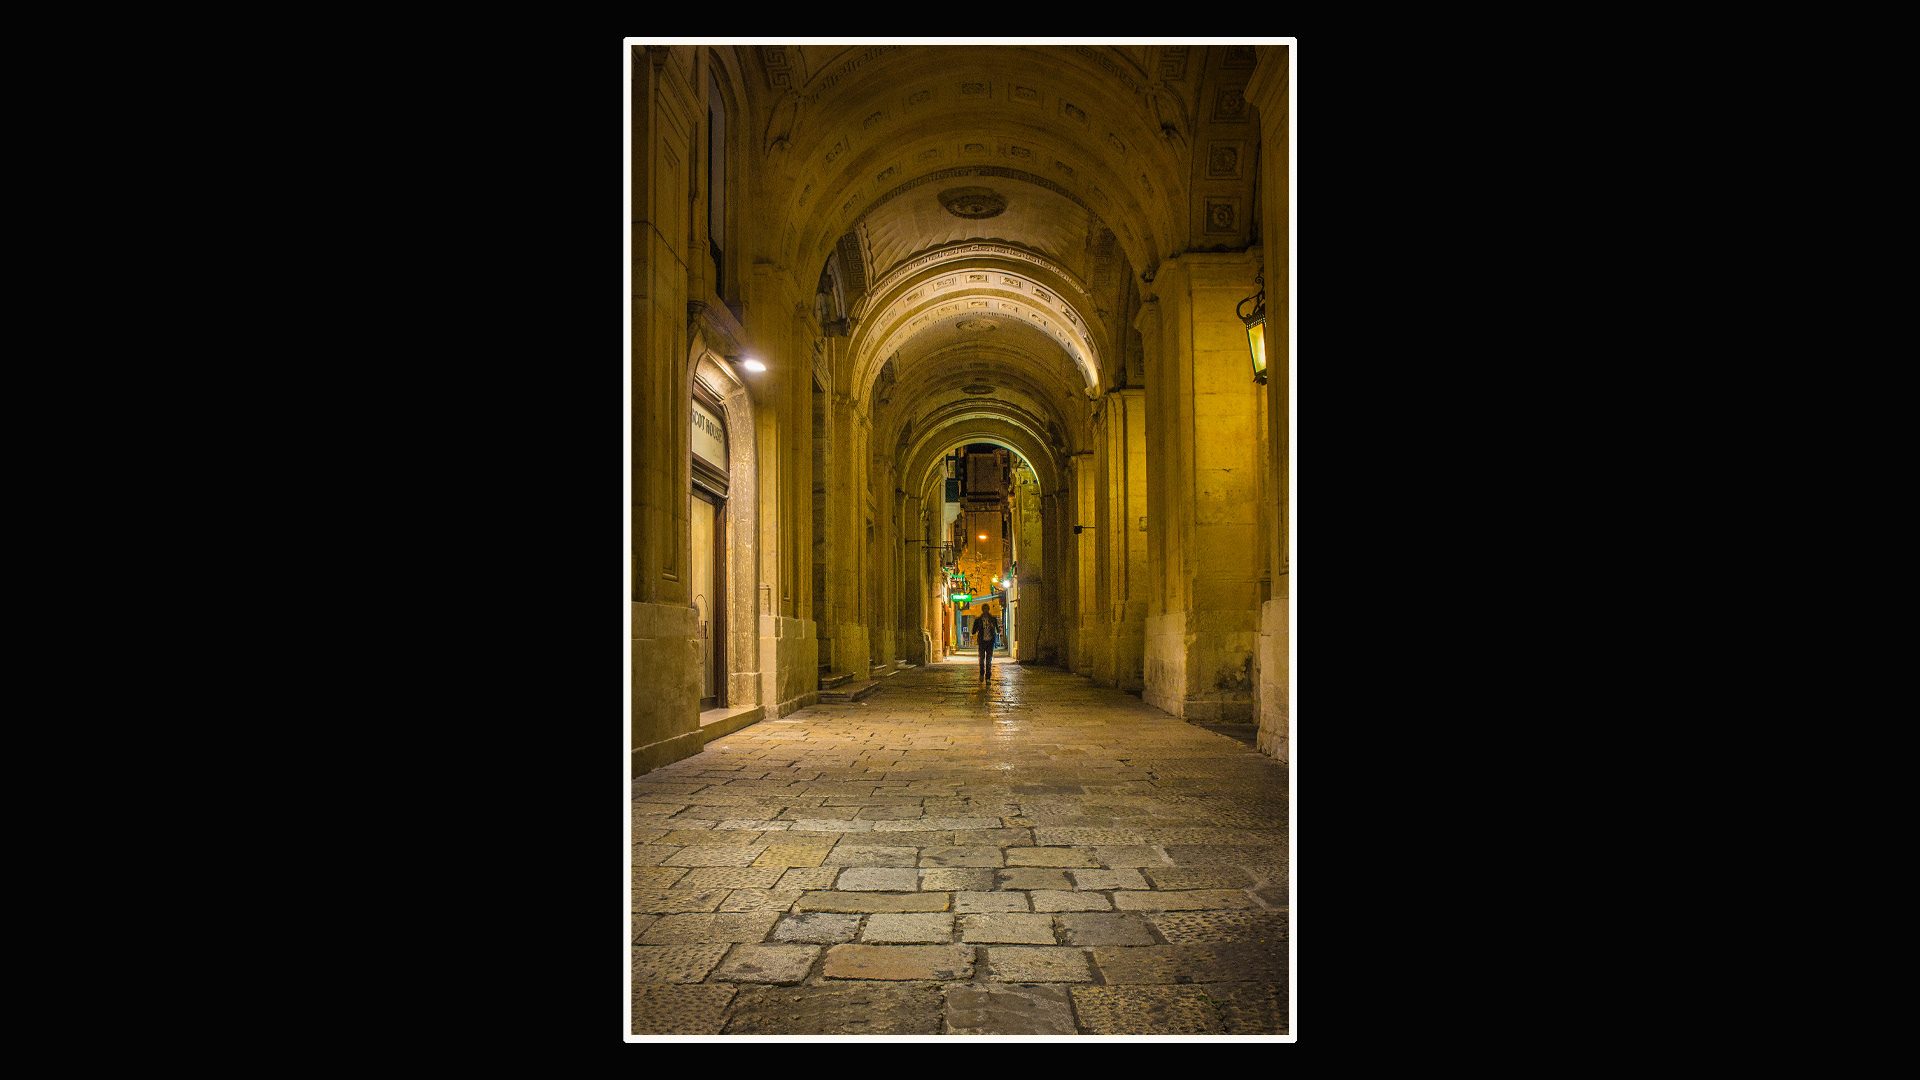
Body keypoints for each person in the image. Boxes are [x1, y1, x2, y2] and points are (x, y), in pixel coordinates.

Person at [971, 603, 1001, 680]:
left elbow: (997, 629)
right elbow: (973, 631)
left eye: (986, 609)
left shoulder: (993, 619)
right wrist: (976, 628)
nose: (985, 611)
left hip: (990, 642)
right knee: (981, 659)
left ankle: (988, 676)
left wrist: (997, 629)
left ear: (988, 610)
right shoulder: (978, 620)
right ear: (982, 610)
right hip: (982, 641)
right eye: (984, 609)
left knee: (988, 660)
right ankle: (981, 674)